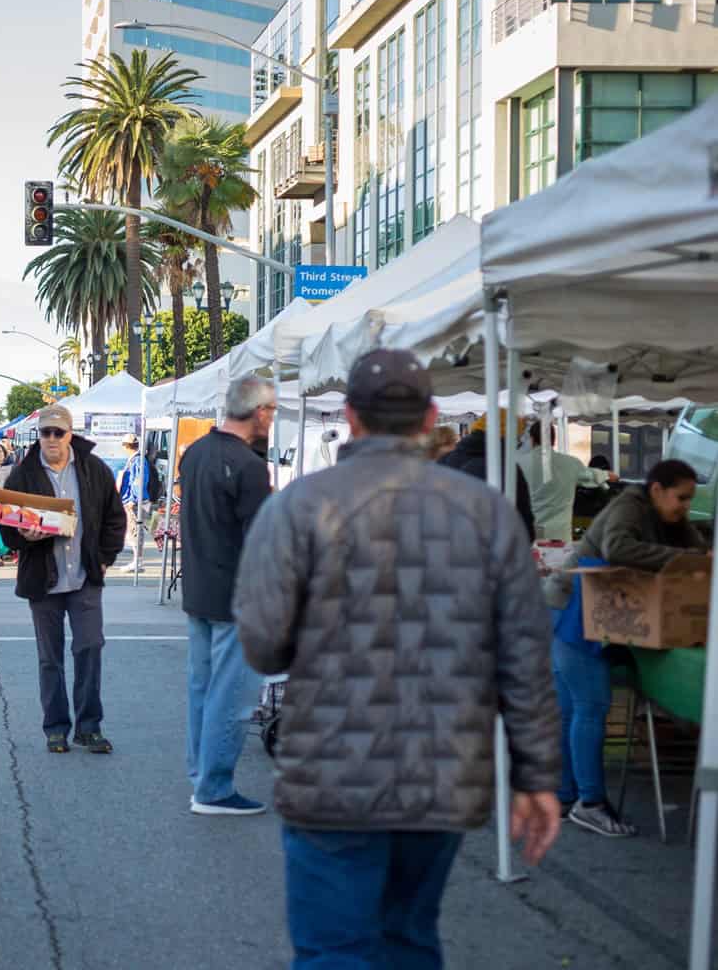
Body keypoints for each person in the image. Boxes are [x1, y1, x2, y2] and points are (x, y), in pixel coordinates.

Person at [233, 349, 561, 969]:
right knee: (410, 938)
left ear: (351, 417)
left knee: (335, 950)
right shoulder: (485, 511)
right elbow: (525, 654)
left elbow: (262, 643)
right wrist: (536, 776)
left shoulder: (297, 507)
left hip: (330, 772)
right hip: (441, 772)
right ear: (432, 417)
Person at [546, 458, 705, 837]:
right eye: (680, 498)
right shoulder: (628, 506)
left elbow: (696, 547)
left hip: (589, 609)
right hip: (572, 608)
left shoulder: (672, 519)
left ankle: (566, 796)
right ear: (656, 490)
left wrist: (700, 555)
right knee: (590, 705)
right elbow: (617, 547)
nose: (685, 506)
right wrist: (689, 560)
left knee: (574, 710)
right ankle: (590, 802)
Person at [1, 405, 125, 755]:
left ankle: (89, 727)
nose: (52, 439)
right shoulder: (22, 475)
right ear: (38, 436)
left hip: (84, 577)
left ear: (71, 434)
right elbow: (6, 531)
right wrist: (24, 535)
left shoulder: (93, 468)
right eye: (46, 433)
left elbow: (115, 518)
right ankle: (56, 728)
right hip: (44, 580)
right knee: (49, 658)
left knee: (89, 647)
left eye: (59, 432)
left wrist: (103, 560)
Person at [179, 375, 276, 816]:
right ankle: (214, 789)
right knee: (232, 696)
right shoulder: (250, 466)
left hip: (199, 587)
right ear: (259, 412)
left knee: (203, 688)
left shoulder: (196, 453)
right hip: (236, 594)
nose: (272, 418)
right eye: (271, 410)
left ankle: (201, 775)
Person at [439, 411, 536, 540]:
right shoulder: (505, 469)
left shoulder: (443, 462)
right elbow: (524, 525)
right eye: (517, 438)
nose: (519, 443)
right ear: (509, 437)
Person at [519, 422, 615, 543]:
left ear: (532, 440)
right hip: (560, 536)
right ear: (553, 440)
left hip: (530, 534)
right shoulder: (570, 463)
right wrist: (607, 475)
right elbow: (591, 476)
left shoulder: (519, 463)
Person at [115, 434, 161, 572]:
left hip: (135, 501)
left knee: (135, 530)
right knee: (138, 529)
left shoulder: (137, 461)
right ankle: (137, 560)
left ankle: (137, 561)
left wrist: (134, 500)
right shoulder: (138, 460)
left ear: (126, 446)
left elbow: (138, 482)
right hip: (138, 500)